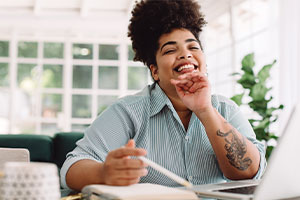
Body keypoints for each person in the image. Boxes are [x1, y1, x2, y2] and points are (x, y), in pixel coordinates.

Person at [60, 0, 266, 191]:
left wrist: (205, 110)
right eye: (169, 51)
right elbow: (71, 168)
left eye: (193, 47)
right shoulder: (128, 112)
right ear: (155, 71)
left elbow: (248, 172)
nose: (185, 54)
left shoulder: (225, 109)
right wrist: (103, 173)